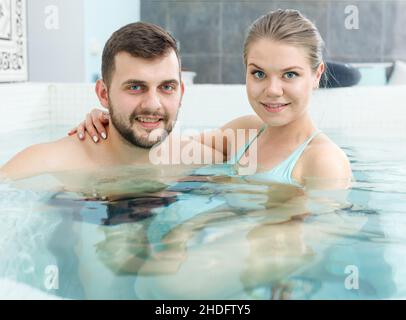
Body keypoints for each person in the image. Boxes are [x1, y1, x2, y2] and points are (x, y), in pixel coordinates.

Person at [70, 9, 352, 190]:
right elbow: (161, 148)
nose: (273, 89)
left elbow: (315, 244)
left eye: (290, 75)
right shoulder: (245, 134)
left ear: (316, 75)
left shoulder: (323, 161)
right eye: (259, 74)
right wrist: (114, 121)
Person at [0, 22, 219, 183]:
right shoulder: (49, 162)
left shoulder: (198, 159)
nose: (153, 104)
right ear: (104, 94)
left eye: (166, 87)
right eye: (135, 87)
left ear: (181, 92)